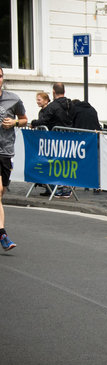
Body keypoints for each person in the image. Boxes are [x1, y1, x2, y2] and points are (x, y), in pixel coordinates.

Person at [0, 66, 28, 251]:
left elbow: (24, 119)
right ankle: (2, 235)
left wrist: (14, 122)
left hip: (5, 151)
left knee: (0, 194)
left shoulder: (13, 99)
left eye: (0, 75)